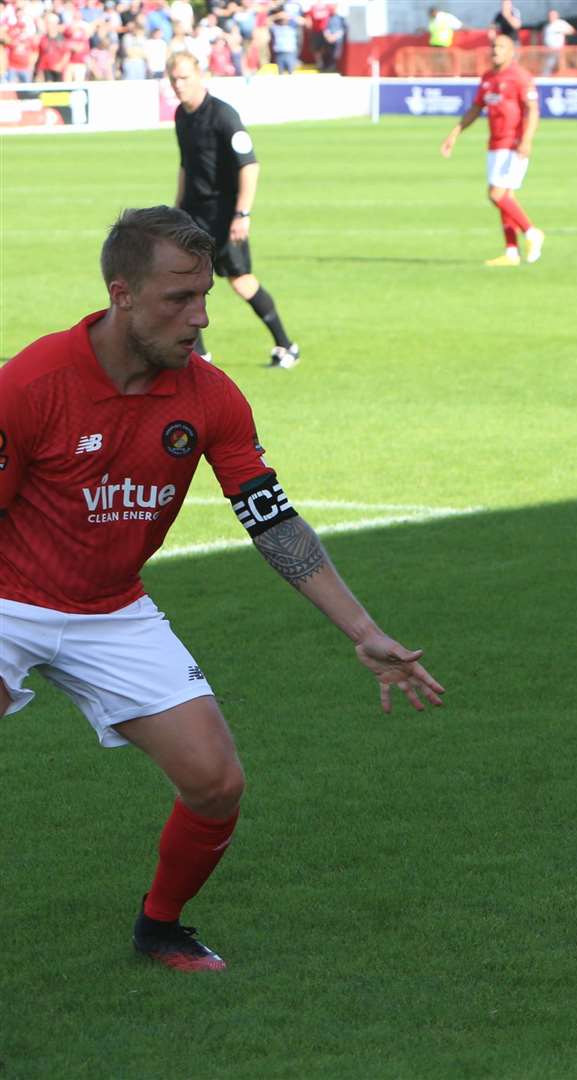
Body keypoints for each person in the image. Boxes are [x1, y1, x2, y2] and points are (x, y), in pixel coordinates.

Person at [0, 206, 444, 971]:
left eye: (205, 294)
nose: (201, 317)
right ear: (122, 295)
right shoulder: (31, 384)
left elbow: (272, 521)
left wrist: (362, 630)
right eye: (179, 298)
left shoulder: (210, 397)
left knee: (215, 781)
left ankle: (161, 927)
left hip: (113, 609)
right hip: (8, 599)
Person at [167, 53, 301, 368]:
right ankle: (200, 357)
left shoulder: (224, 116)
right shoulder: (181, 116)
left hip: (223, 215)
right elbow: (186, 164)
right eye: (174, 79)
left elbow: (249, 165)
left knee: (241, 281)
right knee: (186, 283)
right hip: (192, 215)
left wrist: (242, 214)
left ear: (200, 75)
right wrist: (177, 208)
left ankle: (286, 345)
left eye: (184, 78)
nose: (178, 85)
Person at [440, 33, 545, 268]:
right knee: (505, 198)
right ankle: (511, 252)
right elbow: (476, 108)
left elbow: (533, 110)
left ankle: (531, 232)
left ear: (511, 52)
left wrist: (527, 140)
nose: (495, 50)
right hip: (495, 144)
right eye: (493, 46)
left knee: (496, 194)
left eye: (500, 47)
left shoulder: (520, 77)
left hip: (513, 144)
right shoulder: (488, 78)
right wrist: (454, 133)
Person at [540, 8, 574, 76]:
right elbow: (544, 37)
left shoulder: (560, 23)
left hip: (559, 49)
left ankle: (563, 77)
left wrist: (561, 31)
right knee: (549, 63)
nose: (551, 17)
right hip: (549, 49)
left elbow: (571, 30)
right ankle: (545, 76)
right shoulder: (547, 26)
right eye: (550, 15)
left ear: (557, 16)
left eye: (553, 15)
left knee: (561, 64)